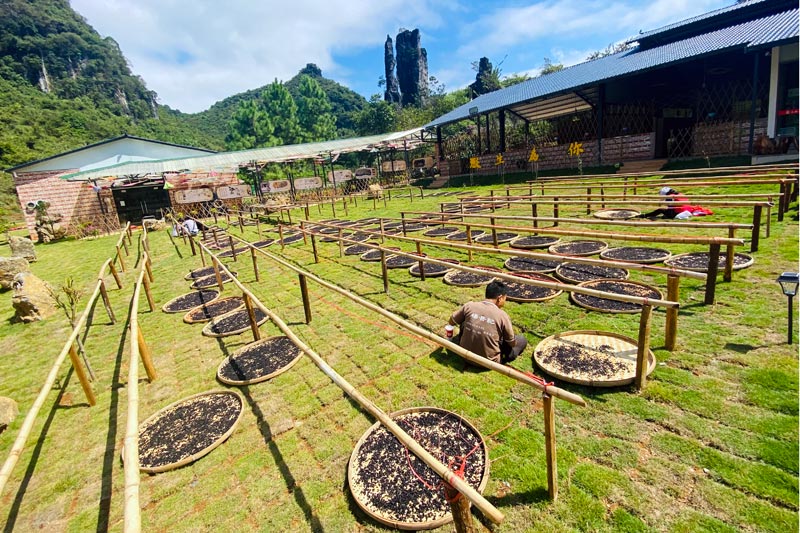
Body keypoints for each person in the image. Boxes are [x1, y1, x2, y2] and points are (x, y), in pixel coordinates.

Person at [448, 280, 528, 364]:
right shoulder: (502, 316)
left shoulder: (470, 306)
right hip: (488, 363)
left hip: (463, 354)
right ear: (500, 298)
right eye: (505, 298)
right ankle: (501, 356)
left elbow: (452, 321)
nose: (505, 301)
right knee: (522, 340)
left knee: (464, 321)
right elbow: (511, 343)